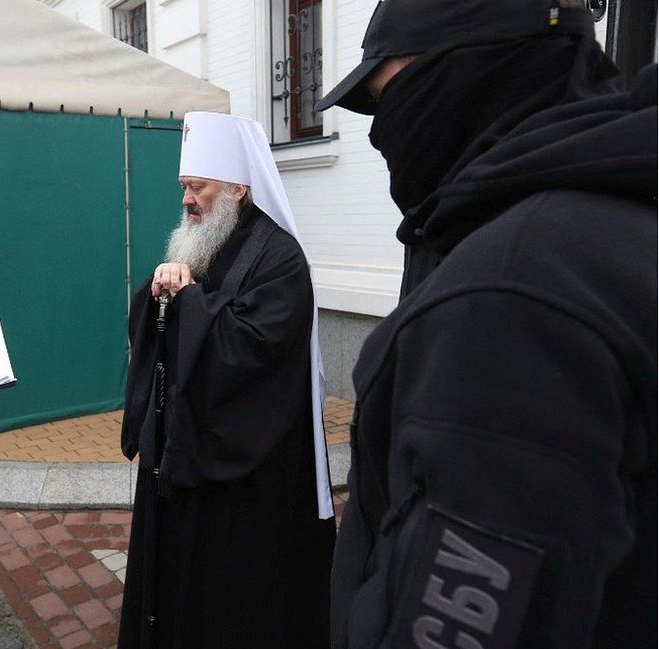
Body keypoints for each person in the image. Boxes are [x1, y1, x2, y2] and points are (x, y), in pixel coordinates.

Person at [314, 1, 657, 647]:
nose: (383, 134)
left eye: (392, 100)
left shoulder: (512, 298)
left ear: (465, 77)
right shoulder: (608, 220)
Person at [118, 112, 337, 649]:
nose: (187, 201)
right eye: (183, 188)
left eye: (198, 188)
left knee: (234, 595)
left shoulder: (280, 256)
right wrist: (160, 294)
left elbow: (253, 348)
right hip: (184, 449)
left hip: (246, 464)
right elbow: (164, 317)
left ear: (238, 189)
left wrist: (188, 301)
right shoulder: (199, 242)